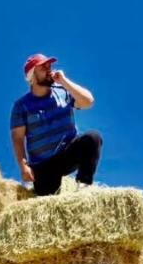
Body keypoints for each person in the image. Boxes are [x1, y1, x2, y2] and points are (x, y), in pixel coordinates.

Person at [10, 53, 103, 196]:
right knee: (46, 204)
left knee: (93, 138)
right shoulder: (21, 106)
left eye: (50, 66)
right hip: (43, 165)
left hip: (67, 154)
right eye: (43, 67)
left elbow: (88, 102)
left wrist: (64, 81)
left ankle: (84, 188)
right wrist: (23, 166)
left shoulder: (63, 92)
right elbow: (18, 138)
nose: (49, 69)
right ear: (32, 75)